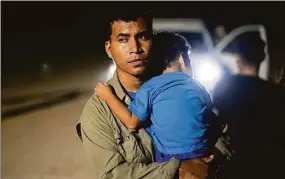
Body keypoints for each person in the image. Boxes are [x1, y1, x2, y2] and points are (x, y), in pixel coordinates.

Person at [76, 9, 211, 179]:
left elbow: (220, 133)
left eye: (142, 37)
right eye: (123, 39)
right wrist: (179, 168)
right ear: (109, 49)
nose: (135, 48)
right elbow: (113, 174)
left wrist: (212, 159)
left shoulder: (175, 87)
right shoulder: (98, 111)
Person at [95, 32, 217, 165]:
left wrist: (109, 96)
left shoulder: (149, 88)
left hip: (170, 158)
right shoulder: (198, 86)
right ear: (182, 58)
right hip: (204, 152)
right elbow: (210, 115)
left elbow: (131, 122)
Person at [213, 32, 285, 179]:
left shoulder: (225, 86)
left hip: (232, 162)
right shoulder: (272, 92)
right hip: (265, 163)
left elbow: (217, 122)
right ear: (263, 57)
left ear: (238, 58)